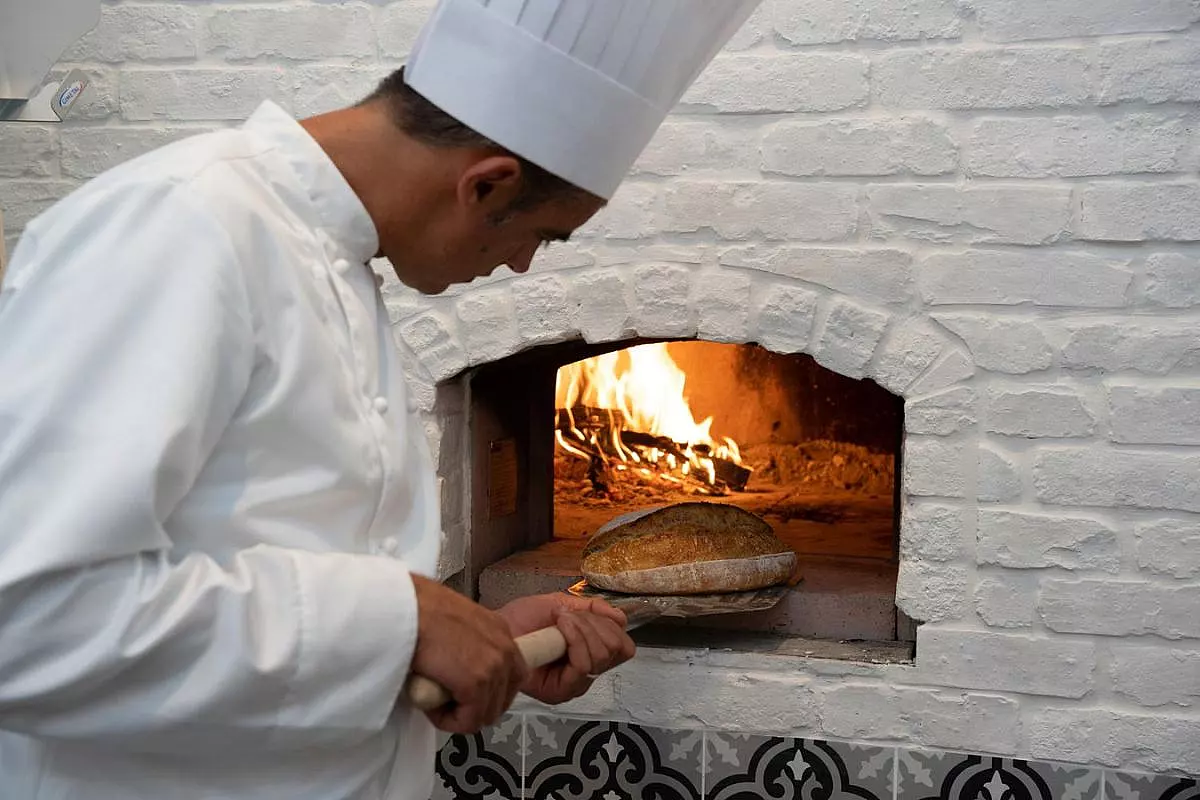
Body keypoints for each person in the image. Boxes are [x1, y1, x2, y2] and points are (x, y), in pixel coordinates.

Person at [0, 0, 761, 797]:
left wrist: (475, 643)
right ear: (486, 182)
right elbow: (30, 616)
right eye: (541, 235)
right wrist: (403, 625)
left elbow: (268, 569)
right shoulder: (180, 228)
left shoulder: (333, 263)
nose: (525, 267)